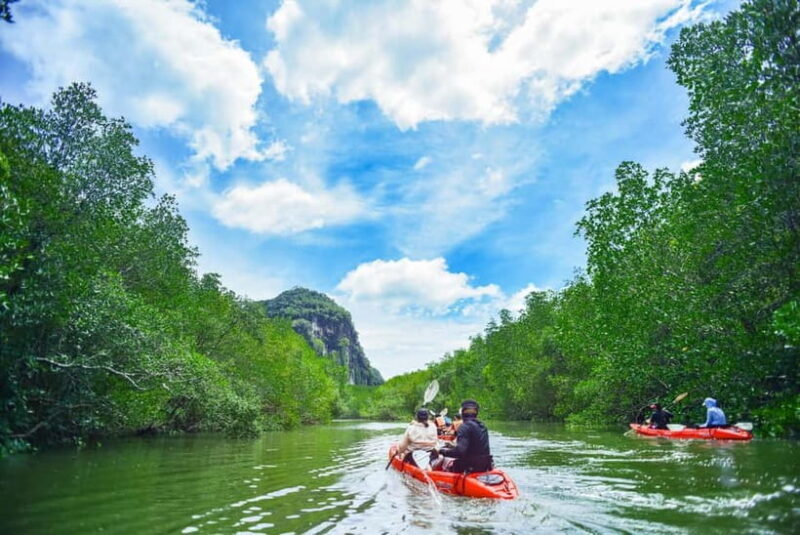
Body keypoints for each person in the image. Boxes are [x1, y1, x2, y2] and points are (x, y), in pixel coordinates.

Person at [436, 400, 493, 473]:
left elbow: (459, 452)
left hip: (470, 467)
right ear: (476, 413)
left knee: (447, 462)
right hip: (485, 465)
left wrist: (441, 451)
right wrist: (453, 446)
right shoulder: (482, 426)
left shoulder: (464, 427)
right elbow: (475, 447)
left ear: (463, 413)